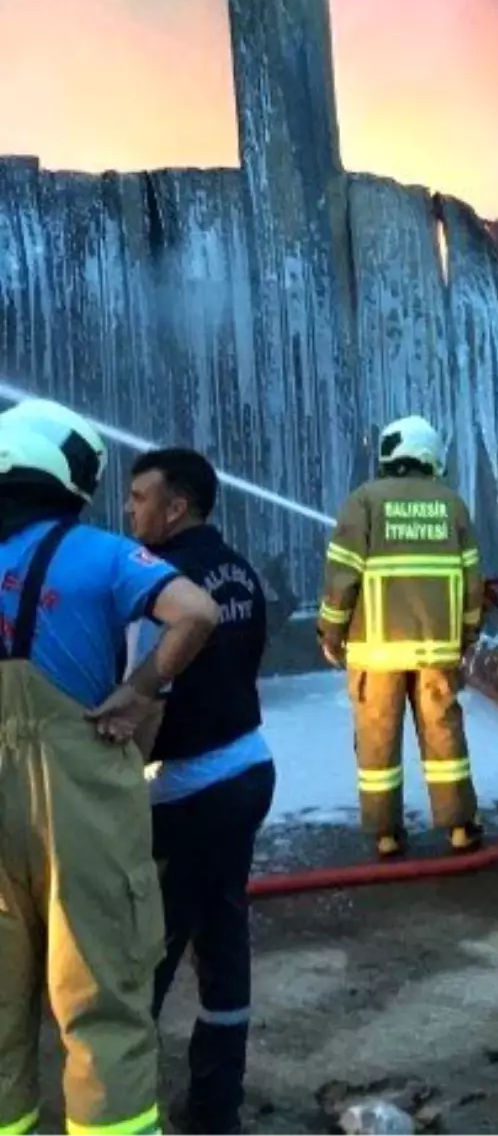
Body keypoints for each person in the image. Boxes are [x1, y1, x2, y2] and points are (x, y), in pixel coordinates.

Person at [0, 398, 218, 1136]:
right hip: (81, 800)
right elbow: (196, 611)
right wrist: (139, 687)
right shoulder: (102, 553)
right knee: (102, 1000)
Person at [125, 447, 276, 1136]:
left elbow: (144, 698)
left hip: (184, 792)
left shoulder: (158, 584)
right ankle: (217, 1103)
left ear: (175, 505)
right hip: (248, 768)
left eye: (139, 497)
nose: (129, 510)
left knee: (138, 959)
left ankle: (123, 1107)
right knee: (222, 936)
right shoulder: (239, 568)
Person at [318, 415, 485, 859]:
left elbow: (342, 577)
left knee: (377, 739)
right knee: (445, 734)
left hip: (376, 650)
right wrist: (468, 632)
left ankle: (386, 833)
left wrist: (331, 632)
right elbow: (473, 581)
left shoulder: (363, 501)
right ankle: (459, 828)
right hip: (437, 647)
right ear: (430, 455)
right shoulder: (452, 504)